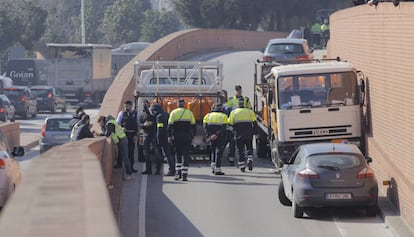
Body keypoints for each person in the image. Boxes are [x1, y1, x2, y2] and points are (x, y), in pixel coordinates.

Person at [98, 115, 134, 180]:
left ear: (102, 120)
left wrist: (99, 134)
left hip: (122, 140)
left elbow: (107, 134)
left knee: (125, 157)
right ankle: (119, 166)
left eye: (100, 123)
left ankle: (130, 173)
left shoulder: (110, 123)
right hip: (121, 139)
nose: (100, 124)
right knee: (121, 156)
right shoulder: (111, 122)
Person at [228, 97, 259, 172]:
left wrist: (232, 133)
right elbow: (255, 123)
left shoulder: (233, 112)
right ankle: (249, 158)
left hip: (238, 134)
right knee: (249, 147)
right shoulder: (249, 111)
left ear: (238, 104)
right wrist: (256, 133)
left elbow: (229, 124)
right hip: (248, 133)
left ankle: (242, 166)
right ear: (244, 103)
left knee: (240, 150)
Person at [168, 99, 196, 181]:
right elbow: (193, 125)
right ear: (184, 105)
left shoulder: (173, 113)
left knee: (178, 154)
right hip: (187, 136)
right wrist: (193, 135)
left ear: (177, 104)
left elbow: (169, 126)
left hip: (177, 136)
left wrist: (169, 136)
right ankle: (184, 175)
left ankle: (178, 174)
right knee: (186, 155)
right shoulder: (189, 113)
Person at [225, 85, 252, 166]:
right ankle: (231, 158)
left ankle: (244, 159)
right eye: (237, 90)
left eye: (239, 90)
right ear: (235, 91)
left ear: (241, 91)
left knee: (242, 142)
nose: (238, 92)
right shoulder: (230, 100)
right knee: (232, 141)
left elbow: (250, 110)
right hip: (234, 124)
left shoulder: (246, 99)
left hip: (244, 124)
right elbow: (227, 112)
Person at [203, 103, 228, 175]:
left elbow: (205, 127)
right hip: (220, 137)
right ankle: (218, 169)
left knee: (213, 151)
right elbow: (223, 128)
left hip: (211, 137)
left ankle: (213, 166)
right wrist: (216, 135)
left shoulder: (207, 116)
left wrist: (210, 135)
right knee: (219, 152)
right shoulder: (224, 116)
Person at [151, 103, 175, 176]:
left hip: (161, 138)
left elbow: (159, 128)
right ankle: (172, 169)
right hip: (167, 136)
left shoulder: (159, 117)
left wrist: (158, 139)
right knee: (168, 154)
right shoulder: (167, 114)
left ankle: (160, 170)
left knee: (160, 155)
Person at [116, 100, 139, 172]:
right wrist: (121, 128)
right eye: (125, 106)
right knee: (122, 151)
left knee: (131, 152)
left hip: (132, 135)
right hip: (123, 135)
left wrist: (136, 135)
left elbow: (138, 125)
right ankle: (119, 165)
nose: (126, 107)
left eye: (127, 106)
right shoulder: (122, 113)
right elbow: (117, 124)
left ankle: (131, 168)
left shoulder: (136, 114)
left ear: (131, 106)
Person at [139, 100, 156, 174]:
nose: (144, 106)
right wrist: (144, 125)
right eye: (143, 104)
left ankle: (157, 170)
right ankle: (148, 169)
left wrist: (152, 123)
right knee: (146, 153)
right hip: (145, 135)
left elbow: (157, 122)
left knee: (157, 152)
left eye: (146, 104)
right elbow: (139, 124)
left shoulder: (153, 113)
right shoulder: (142, 115)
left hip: (153, 135)